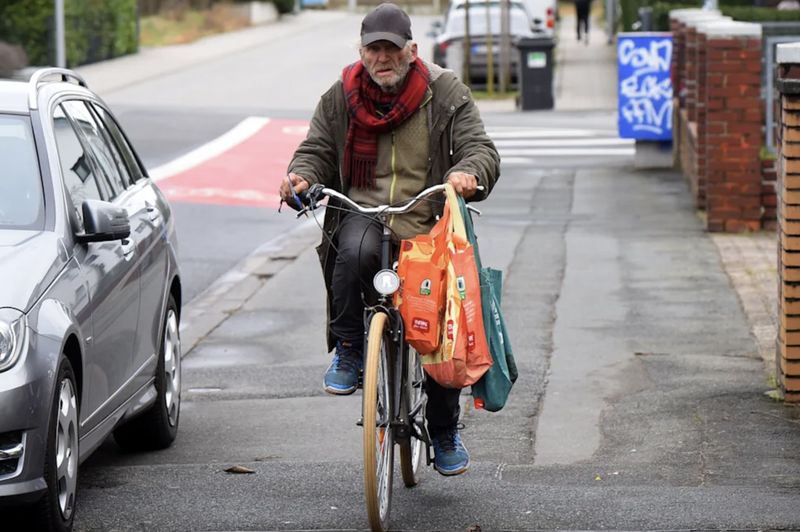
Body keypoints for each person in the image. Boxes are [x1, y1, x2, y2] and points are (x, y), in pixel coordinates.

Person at [279, 2, 499, 476]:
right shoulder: (342, 94)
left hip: (426, 219)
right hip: (365, 211)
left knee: (439, 323)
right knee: (351, 250)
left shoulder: (444, 91)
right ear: (361, 52)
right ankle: (351, 349)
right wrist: (300, 177)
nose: (382, 58)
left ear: (411, 51)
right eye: (373, 49)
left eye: (391, 50)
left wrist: (466, 172)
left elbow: (480, 148)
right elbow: (316, 148)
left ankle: (443, 430)